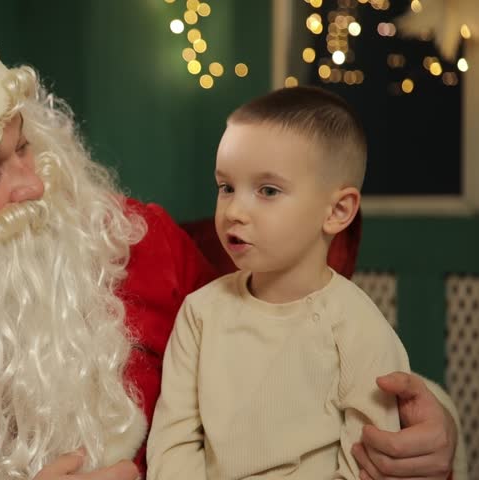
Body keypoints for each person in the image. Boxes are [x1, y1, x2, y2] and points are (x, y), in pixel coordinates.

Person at [0, 2, 459, 479]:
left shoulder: (134, 243)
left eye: (26, 148)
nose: (30, 185)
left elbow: (291, 350)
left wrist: (425, 431)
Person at [148, 86, 419, 479]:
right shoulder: (200, 314)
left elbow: (367, 463)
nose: (235, 211)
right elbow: (173, 443)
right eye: (226, 188)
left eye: (268, 191)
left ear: (337, 211)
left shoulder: (359, 329)